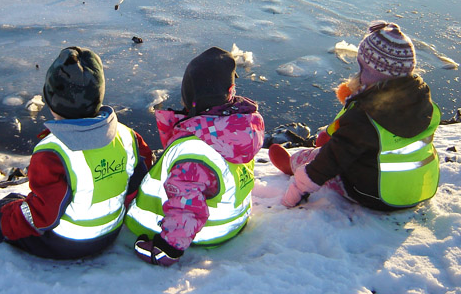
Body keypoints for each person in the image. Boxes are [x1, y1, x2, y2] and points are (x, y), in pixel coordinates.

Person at [0, 46, 153, 259]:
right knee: (20, 201)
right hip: (111, 232)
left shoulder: (53, 152)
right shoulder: (127, 136)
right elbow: (140, 181)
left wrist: (0, 227)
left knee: (3, 207)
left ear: (51, 102)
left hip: (67, 243)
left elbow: (43, 215)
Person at [269, 21, 440, 211]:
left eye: (364, 69)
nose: (360, 74)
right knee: (343, 144)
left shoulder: (365, 119)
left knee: (322, 154)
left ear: (376, 74)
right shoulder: (424, 104)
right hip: (420, 189)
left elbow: (328, 163)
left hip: (376, 195)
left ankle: (290, 164)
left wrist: (294, 193)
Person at [125, 47, 265, 266]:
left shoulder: (194, 153)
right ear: (230, 91)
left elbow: (186, 206)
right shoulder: (238, 129)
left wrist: (167, 248)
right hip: (234, 222)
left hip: (204, 234)